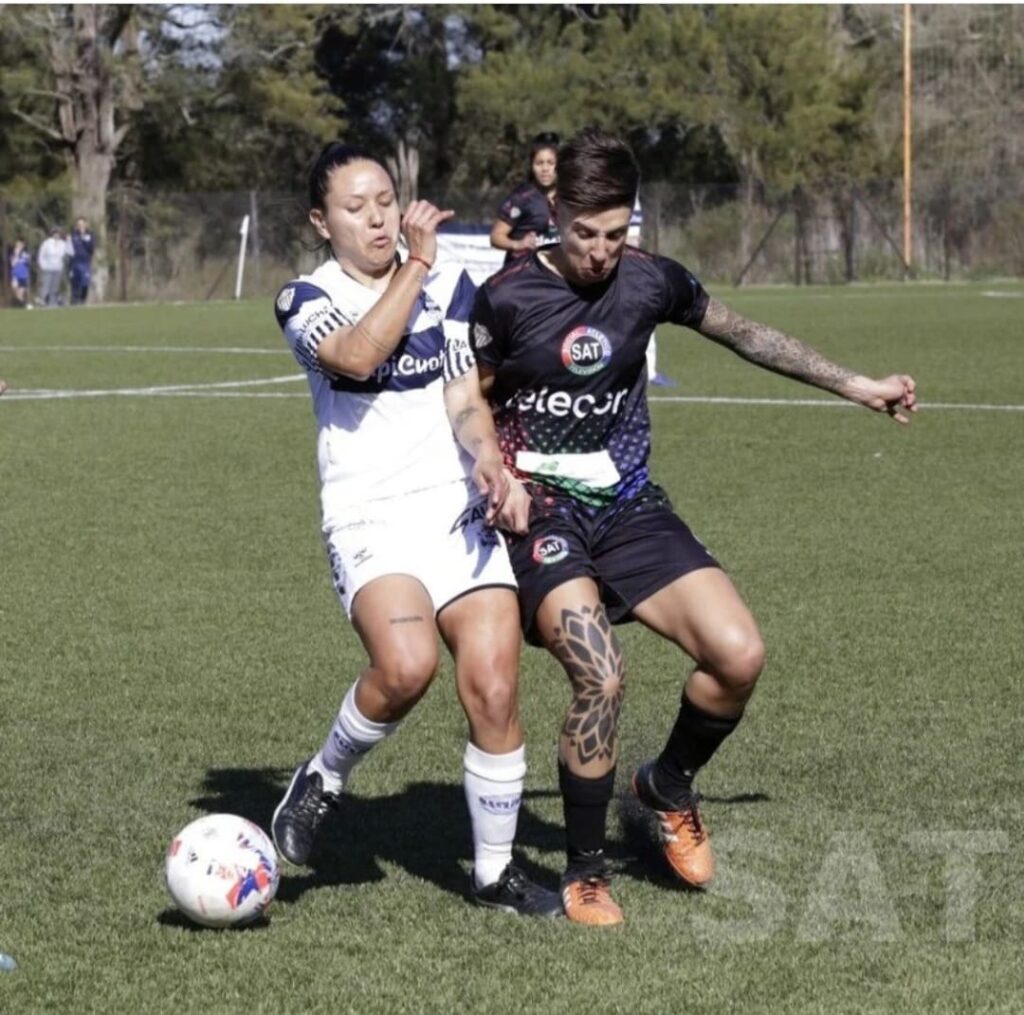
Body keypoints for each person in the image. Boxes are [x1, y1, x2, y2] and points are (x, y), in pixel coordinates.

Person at [467, 127, 917, 927]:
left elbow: (746, 335)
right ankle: (586, 869)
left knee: (739, 653)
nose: (601, 251)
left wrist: (857, 385)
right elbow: (468, 397)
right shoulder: (506, 297)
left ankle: (666, 786)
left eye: (616, 233)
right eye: (584, 233)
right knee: (600, 675)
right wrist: (492, 470)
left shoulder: (650, 281)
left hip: (630, 506)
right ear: (555, 212)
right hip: (540, 509)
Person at [270, 142, 561, 918]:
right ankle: (325, 776)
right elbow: (360, 357)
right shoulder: (305, 297)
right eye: (355, 206)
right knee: (405, 667)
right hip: (369, 513)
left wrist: (489, 465)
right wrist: (417, 269)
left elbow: (465, 397)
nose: (376, 216)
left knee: (495, 686)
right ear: (320, 221)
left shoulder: (449, 286)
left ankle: (494, 873)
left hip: (453, 510)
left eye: (385, 200)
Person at [627, 195, 676, 388]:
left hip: (628, 262)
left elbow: (632, 234)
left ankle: (650, 372)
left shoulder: (632, 196)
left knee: (645, 313)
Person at [489, 132, 559, 265]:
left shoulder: (568, 198)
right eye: (539, 163)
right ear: (532, 166)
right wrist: (518, 244)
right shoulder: (521, 197)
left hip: (553, 276)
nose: (545, 169)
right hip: (520, 274)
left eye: (550, 163)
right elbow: (495, 237)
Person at [37, 228, 67, 307]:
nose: (57, 235)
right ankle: (43, 302)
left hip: (58, 268)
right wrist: (42, 265)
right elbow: (41, 255)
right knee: (46, 286)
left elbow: (69, 253)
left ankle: (52, 304)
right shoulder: (46, 243)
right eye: (55, 233)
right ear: (52, 234)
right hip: (48, 268)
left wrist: (69, 241)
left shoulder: (63, 244)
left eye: (58, 233)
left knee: (55, 287)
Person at [69, 217, 95, 305]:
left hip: (85, 262)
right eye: (79, 224)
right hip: (75, 262)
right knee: (75, 282)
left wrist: (84, 239)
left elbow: (91, 248)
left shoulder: (89, 234)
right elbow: (70, 248)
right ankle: (74, 300)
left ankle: (82, 299)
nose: (80, 226)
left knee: (85, 282)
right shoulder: (73, 235)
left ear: (85, 224)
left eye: (82, 224)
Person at [9, 239, 31, 307]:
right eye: (17, 245)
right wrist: (16, 255)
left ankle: (22, 304)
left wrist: (24, 257)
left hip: (23, 275)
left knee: (21, 291)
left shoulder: (26, 254)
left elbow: (27, 262)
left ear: (23, 246)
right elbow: (13, 264)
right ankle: (23, 304)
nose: (19, 246)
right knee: (15, 288)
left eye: (20, 245)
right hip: (15, 275)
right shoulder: (13, 254)